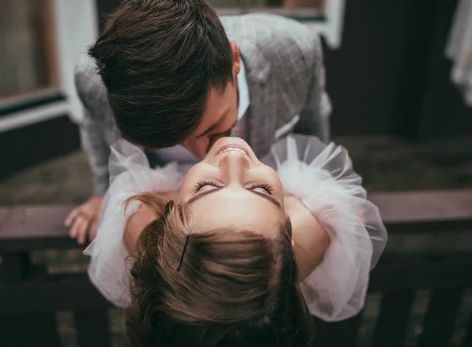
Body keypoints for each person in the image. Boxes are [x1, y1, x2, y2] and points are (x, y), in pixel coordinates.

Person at [66, 0, 332, 244]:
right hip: (158, 195)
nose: (199, 154)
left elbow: (312, 132)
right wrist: (102, 193)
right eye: (173, 140)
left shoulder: (296, 53)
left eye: (213, 127)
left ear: (234, 60)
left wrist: (322, 195)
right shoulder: (94, 83)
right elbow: (97, 127)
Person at [84, 135, 387, 346]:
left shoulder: (142, 224)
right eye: (261, 190)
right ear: (289, 232)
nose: (233, 160)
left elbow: (126, 200)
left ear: (167, 222)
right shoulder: (311, 230)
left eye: (205, 187)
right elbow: (335, 213)